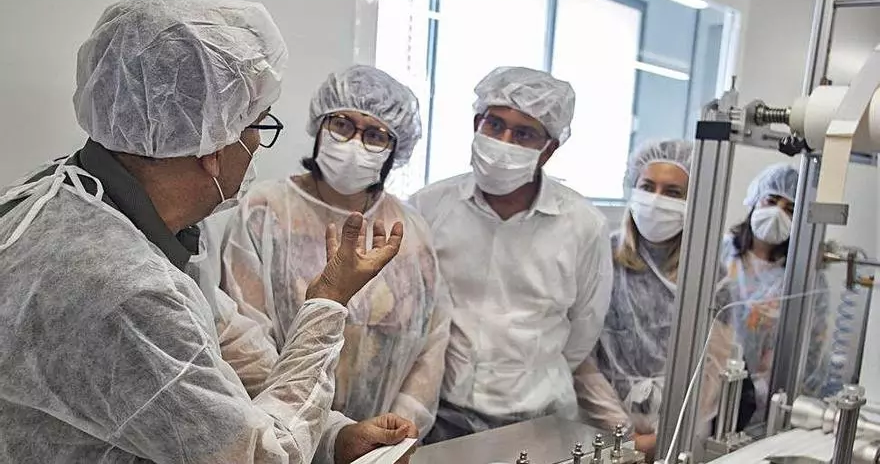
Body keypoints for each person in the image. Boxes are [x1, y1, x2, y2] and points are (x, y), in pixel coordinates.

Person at [0, 0, 417, 463]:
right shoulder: (126, 288)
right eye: (258, 125)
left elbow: (219, 348)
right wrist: (328, 300)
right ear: (214, 146)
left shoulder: (87, 198)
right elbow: (261, 456)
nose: (257, 144)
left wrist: (334, 435)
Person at [218, 65, 451, 439]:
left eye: (375, 135)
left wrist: (391, 436)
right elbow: (243, 339)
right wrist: (323, 433)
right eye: (342, 125)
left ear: (395, 149)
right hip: (282, 434)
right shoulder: (265, 210)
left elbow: (431, 345)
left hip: (382, 446)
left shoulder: (409, 230)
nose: (355, 143)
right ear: (320, 125)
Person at [409, 66, 613, 442]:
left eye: (523, 134)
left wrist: (526, 372)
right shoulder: (429, 206)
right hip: (443, 413)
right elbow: (414, 310)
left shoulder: (583, 225)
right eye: (495, 125)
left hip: (540, 416)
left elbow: (584, 328)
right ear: (477, 124)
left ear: (548, 149)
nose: (504, 141)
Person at [573, 140, 743, 460]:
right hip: (601, 425)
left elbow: (713, 368)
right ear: (632, 188)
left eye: (673, 192)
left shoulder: (710, 274)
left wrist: (666, 432)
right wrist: (623, 431)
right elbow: (581, 355)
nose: (656, 200)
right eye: (648, 187)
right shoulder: (602, 256)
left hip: (682, 429)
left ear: (693, 202)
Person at [720, 163, 829, 421]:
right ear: (755, 200)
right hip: (714, 381)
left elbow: (812, 348)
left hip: (768, 399)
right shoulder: (721, 253)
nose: (778, 213)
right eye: (771, 201)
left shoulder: (804, 277)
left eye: (790, 209)